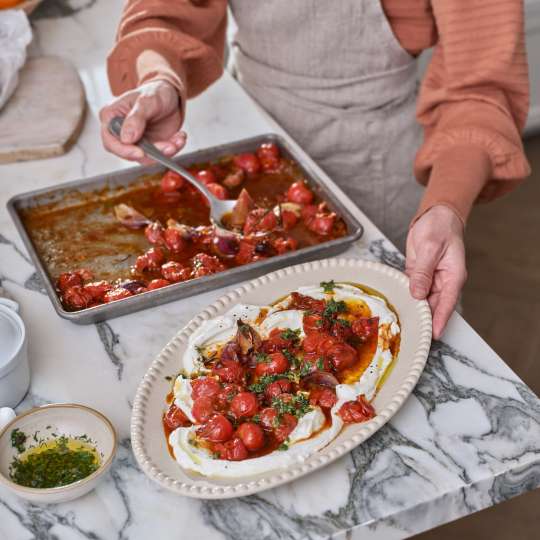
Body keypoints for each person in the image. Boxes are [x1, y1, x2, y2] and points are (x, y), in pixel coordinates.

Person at [99, 1, 530, 339]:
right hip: (254, 135)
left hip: (373, 159)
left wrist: (446, 208)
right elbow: (169, 9)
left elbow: (480, 86)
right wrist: (160, 79)